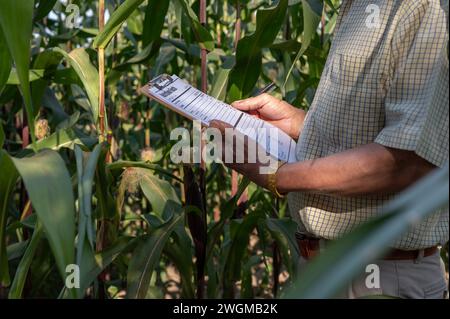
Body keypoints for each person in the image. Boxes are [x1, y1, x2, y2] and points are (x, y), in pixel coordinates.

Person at [210, 0, 449, 298]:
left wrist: (276, 175)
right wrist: (300, 123)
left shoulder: (420, 7)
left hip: (378, 277)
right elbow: (378, 129)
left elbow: (410, 160)